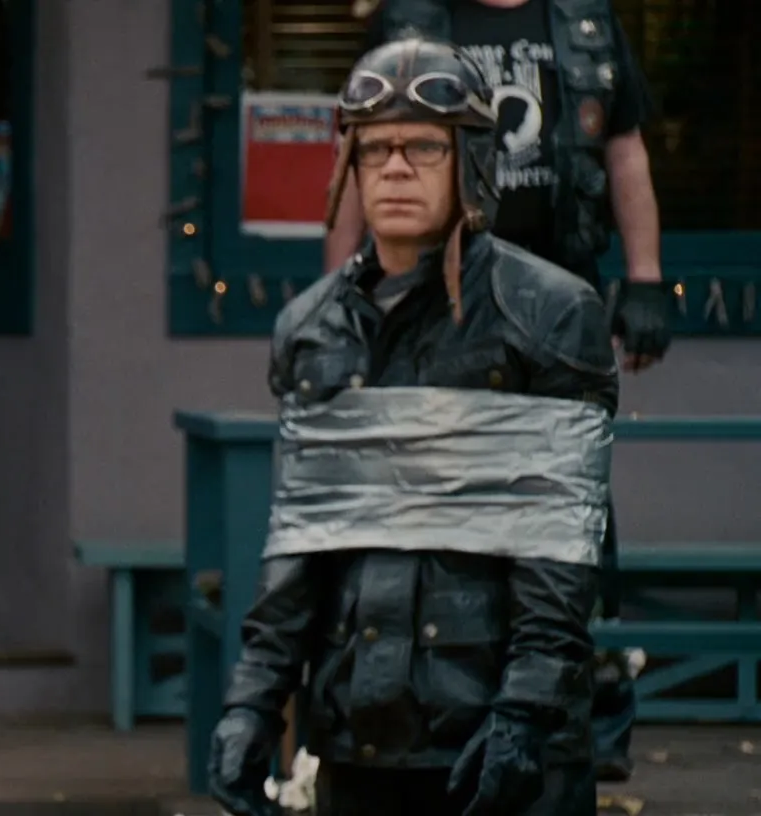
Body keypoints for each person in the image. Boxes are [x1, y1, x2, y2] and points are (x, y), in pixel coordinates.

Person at [209, 39, 616, 816]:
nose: (395, 168)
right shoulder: (311, 329)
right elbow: (301, 543)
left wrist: (526, 713)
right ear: (350, 168)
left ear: (470, 159)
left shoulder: (551, 315)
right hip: (359, 735)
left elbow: (559, 553)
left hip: (498, 738)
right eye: (375, 148)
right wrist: (251, 705)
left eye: (424, 147)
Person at [326, 0, 658, 780]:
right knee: (423, 511)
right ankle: (424, 719)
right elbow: (357, 157)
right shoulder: (409, 19)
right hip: (432, 302)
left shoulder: (584, 20)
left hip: (559, 309)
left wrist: (647, 278)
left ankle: (581, 724)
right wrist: (339, 295)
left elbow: (624, 149)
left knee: (570, 519)